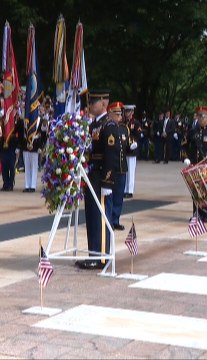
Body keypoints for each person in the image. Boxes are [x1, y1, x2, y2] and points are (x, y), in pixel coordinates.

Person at [76, 89, 119, 270]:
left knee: (101, 217)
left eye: (93, 102)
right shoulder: (94, 125)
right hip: (91, 176)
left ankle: (101, 257)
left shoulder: (108, 126)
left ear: (103, 103)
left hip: (101, 177)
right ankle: (93, 252)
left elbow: (111, 155)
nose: (90, 105)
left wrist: (108, 182)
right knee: (92, 216)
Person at [182, 106, 207, 223]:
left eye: (203, 116)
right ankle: (196, 213)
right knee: (196, 190)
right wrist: (185, 158)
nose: (200, 118)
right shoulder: (191, 132)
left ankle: (205, 214)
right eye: (198, 116)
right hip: (195, 165)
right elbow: (183, 146)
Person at [105, 102, 136, 231]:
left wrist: (132, 147)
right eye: (116, 114)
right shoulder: (107, 128)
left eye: (120, 114)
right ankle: (108, 220)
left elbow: (127, 145)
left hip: (122, 168)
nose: (119, 116)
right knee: (109, 196)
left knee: (118, 196)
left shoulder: (124, 128)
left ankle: (115, 219)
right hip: (111, 168)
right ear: (110, 114)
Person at [123, 105, 140, 199]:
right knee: (125, 170)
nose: (126, 113)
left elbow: (138, 134)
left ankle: (129, 190)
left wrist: (134, 143)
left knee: (131, 171)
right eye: (126, 111)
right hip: (125, 149)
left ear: (132, 112)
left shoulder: (135, 123)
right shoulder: (124, 122)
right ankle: (125, 189)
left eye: (128, 111)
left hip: (132, 149)